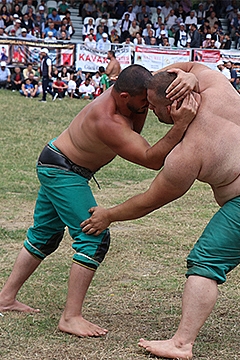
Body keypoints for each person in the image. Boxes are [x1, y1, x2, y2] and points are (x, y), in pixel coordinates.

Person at [80, 63, 240, 359]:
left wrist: (109, 214)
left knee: (205, 263)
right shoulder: (215, 85)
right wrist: (188, 75)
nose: (148, 109)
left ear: (172, 104)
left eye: (152, 104)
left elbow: (151, 199)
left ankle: (182, 343)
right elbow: (195, 67)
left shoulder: (188, 151)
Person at [0, 64, 197, 337]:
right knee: (94, 237)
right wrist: (181, 124)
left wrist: (190, 76)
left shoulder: (128, 93)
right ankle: (70, 317)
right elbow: (151, 160)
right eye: (145, 102)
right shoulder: (107, 120)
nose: (150, 107)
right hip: (63, 170)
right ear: (126, 96)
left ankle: (5, 298)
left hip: (56, 162)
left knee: (44, 236)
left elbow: (153, 86)